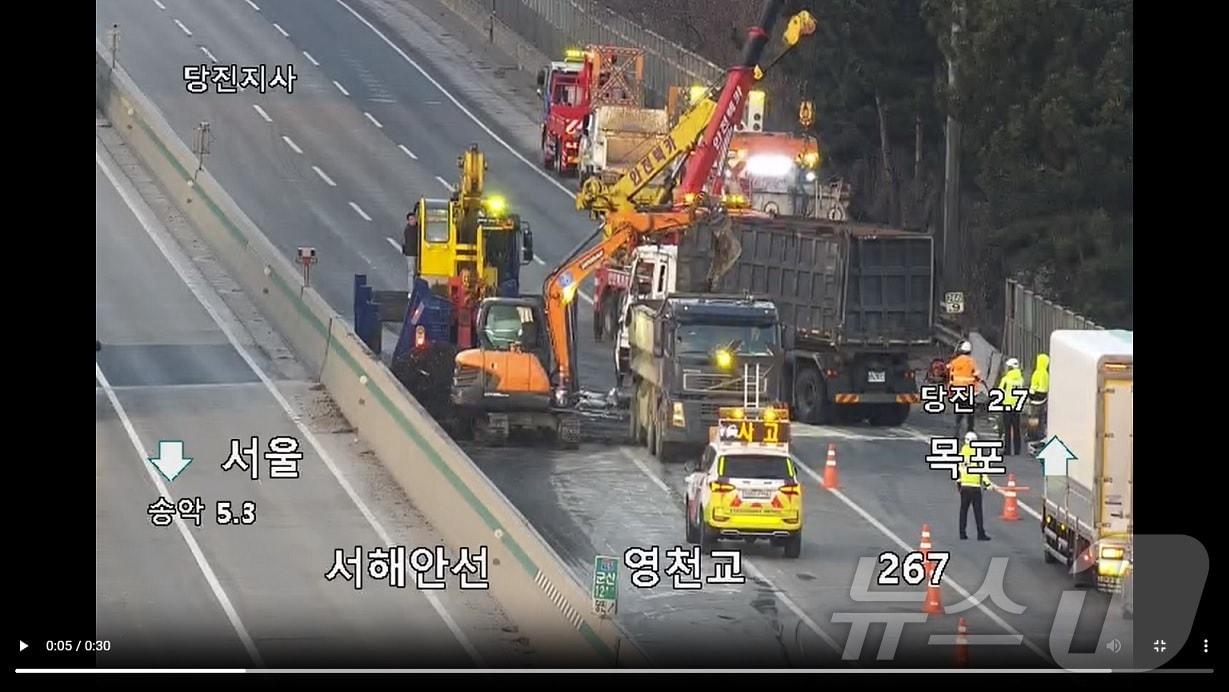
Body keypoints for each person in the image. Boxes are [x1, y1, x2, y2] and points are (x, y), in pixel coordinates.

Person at [956, 431, 992, 541]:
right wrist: (988, 484)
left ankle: (962, 533)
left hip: (964, 486)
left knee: (963, 510)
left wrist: (959, 483)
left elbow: (959, 470)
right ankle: (980, 534)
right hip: (975, 486)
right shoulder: (977, 453)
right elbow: (983, 471)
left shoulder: (961, 453)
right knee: (978, 512)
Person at [948, 341, 983, 437]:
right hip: (968, 390)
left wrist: (950, 390)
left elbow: (950, 376)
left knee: (960, 410)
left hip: (957, 390)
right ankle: (970, 431)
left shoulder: (955, 361)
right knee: (970, 412)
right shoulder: (971, 361)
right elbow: (977, 375)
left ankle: (957, 428)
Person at [997, 357, 1025, 455]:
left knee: (1007, 429)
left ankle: (1007, 450)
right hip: (1017, 407)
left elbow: (1000, 391)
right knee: (1016, 428)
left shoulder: (1005, 379)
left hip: (1007, 406)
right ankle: (1017, 450)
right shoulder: (1021, 379)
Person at [1029, 352, 1050, 434]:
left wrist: (1030, 396)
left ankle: (1032, 434)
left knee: (1033, 417)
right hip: (1044, 398)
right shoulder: (1046, 374)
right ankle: (1040, 433)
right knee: (1041, 417)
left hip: (1036, 398)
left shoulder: (1037, 373)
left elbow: (1033, 387)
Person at [402, 210, 420, 291]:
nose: (413, 221)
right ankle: (411, 291)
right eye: (411, 219)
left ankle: (415, 290)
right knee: (411, 272)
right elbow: (409, 242)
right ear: (408, 221)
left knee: (417, 273)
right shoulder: (408, 230)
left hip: (418, 253)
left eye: (414, 219)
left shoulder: (419, 228)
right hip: (410, 254)